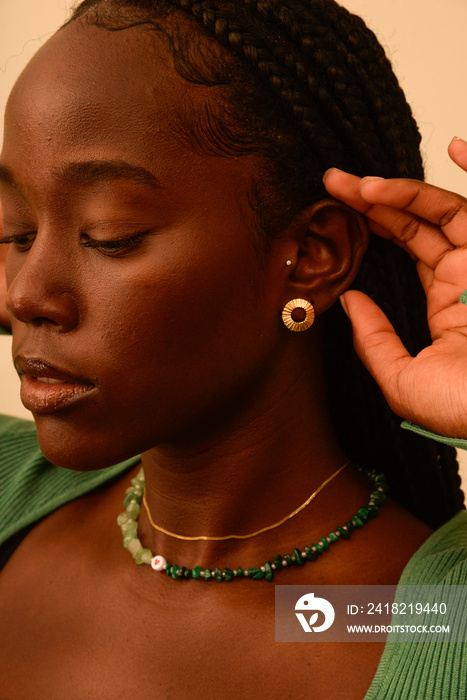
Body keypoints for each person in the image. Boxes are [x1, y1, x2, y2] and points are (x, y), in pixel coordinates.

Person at [0, 0, 464, 697]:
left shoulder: (426, 617)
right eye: (17, 231)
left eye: (108, 233)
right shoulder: (12, 497)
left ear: (311, 253)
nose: (26, 294)